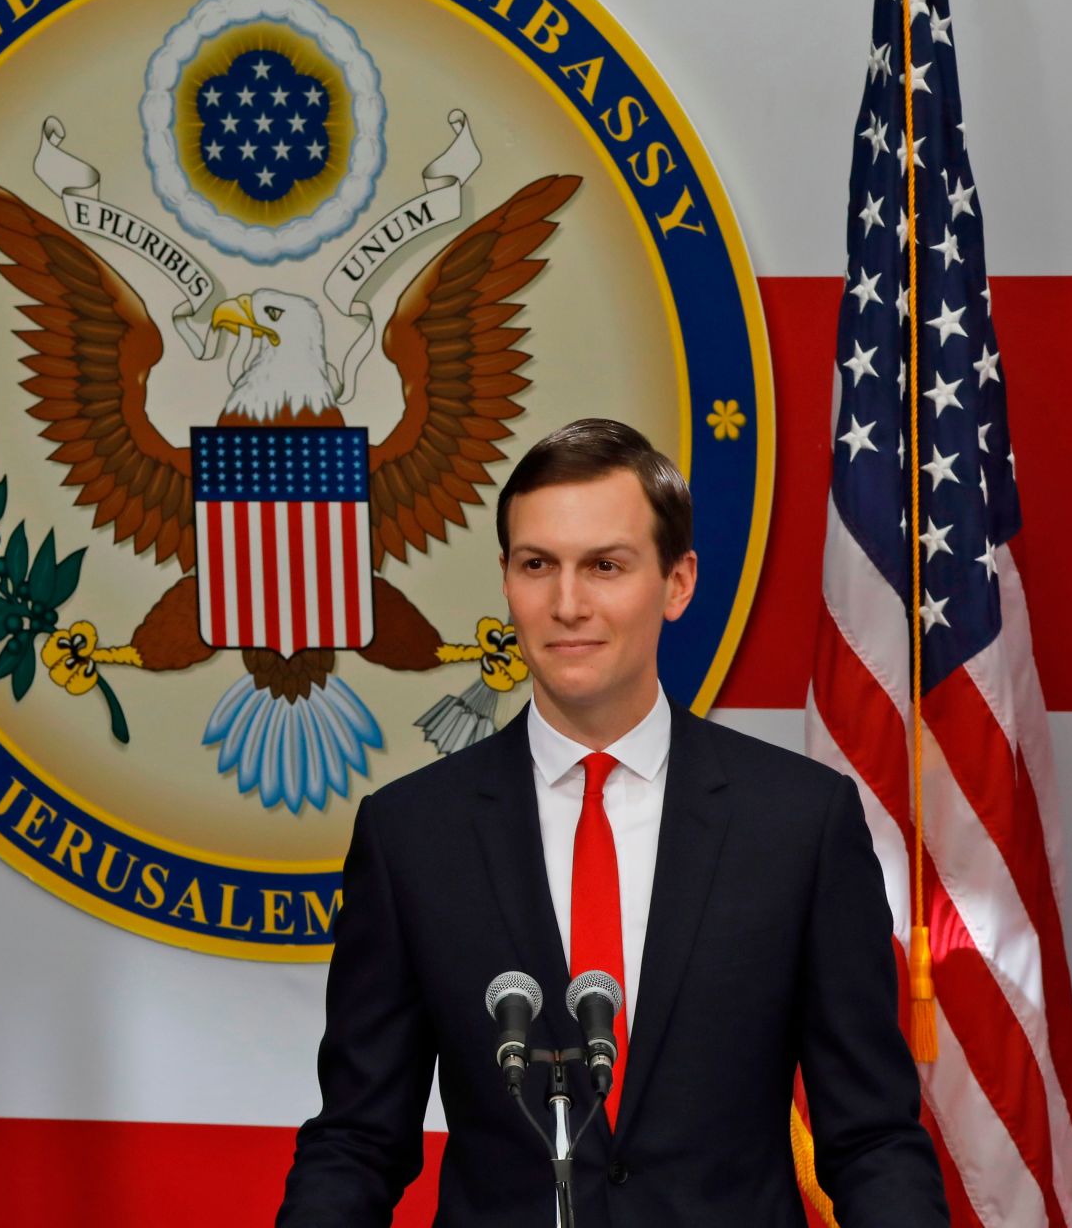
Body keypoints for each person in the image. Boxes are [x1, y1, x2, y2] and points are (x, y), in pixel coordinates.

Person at [276, 419, 946, 1226]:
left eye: (605, 566)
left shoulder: (799, 824)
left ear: (677, 582)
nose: (567, 604)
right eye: (537, 566)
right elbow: (357, 1140)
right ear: (507, 580)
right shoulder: (411, 834)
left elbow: (871, 1139)